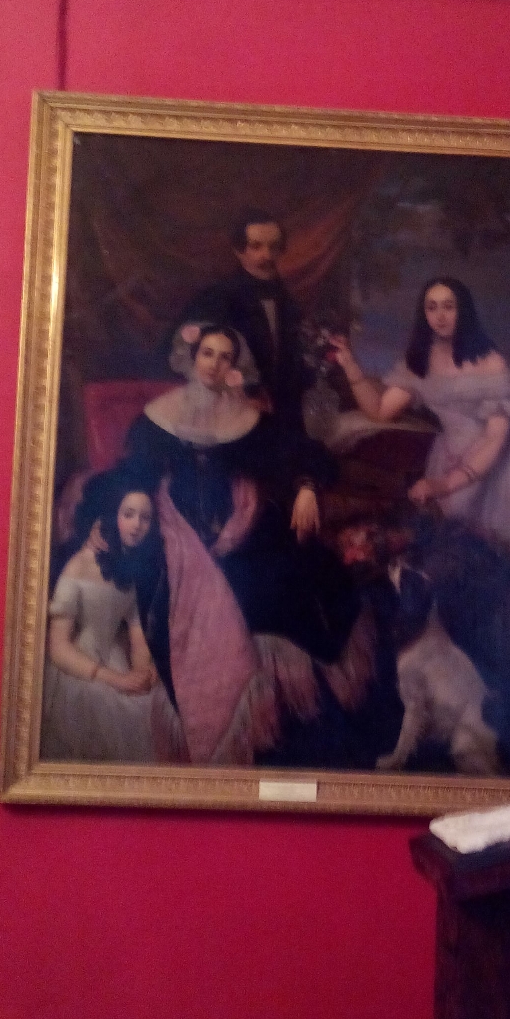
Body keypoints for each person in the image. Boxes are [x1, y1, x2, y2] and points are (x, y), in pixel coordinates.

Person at [123, 324, 371, 766]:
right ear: (192, 358)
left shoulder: (248, 418)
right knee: (165, 592)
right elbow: (133, 475)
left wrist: (306, 486)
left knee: (290, 579)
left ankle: (276, 721)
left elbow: (303, 452)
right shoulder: (156, 418)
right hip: (174, 530)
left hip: (243, 522)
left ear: (233, 367)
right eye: (207, 353)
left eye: (225, 357)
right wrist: (140, 507)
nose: (214, 364)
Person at [330, 277, 510, 673]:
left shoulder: (489, 361)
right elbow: (380, 410)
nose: (440, 316)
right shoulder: (420, 362)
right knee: (453, 566)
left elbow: (493, 440)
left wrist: (444, 484)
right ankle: (460, 665)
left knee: (503, 571)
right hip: (448, 459)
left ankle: (506, 672)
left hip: (503, 471)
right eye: (432, 307)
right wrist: (352, 367)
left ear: (464, 309)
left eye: (449, 306)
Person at [40, 469, 164, 763]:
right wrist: (117, 680)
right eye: (128, 515)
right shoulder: (79, 566)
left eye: (145, 518)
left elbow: (136, 633)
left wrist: (143, 671)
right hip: (78, 671)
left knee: (152, 707)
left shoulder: (128, 568)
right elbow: (58, 648)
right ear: (112, 515)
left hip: (114, 662)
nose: (137, 525)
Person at [173, 210, 311, 435]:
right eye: (256, 246)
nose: (267, 255)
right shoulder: (218, 297)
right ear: (239, 251)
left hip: (283, 412)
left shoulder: (288, 301)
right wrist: (244, 392)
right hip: (231, 411)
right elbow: (200, 359)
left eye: (274, 247)